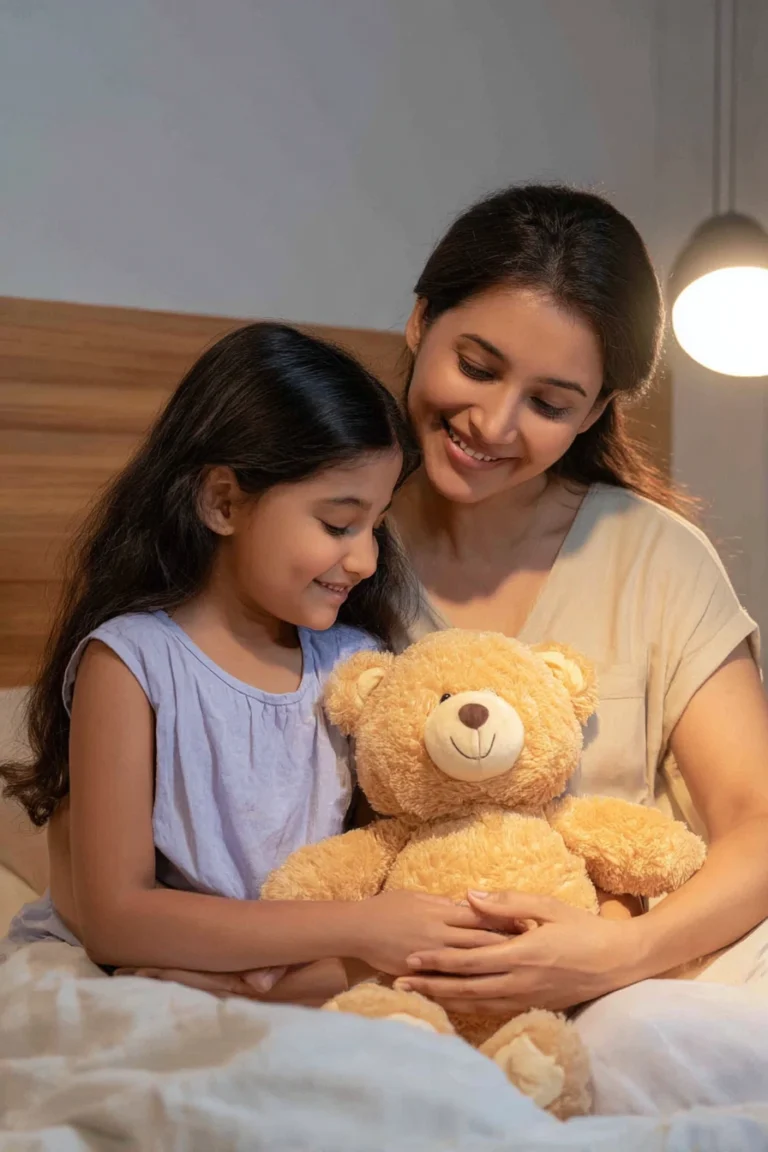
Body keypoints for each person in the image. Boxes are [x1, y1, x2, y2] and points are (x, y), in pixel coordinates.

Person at [0, 322, 503, 994]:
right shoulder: (132, 664)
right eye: (337, 523)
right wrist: (357, 928)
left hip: (287, 978)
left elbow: (391, 903)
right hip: (123, 973)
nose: (365, 559)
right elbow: (118, 923)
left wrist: (247, 984)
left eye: (376, 526)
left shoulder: (354, 668)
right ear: (223, 501)